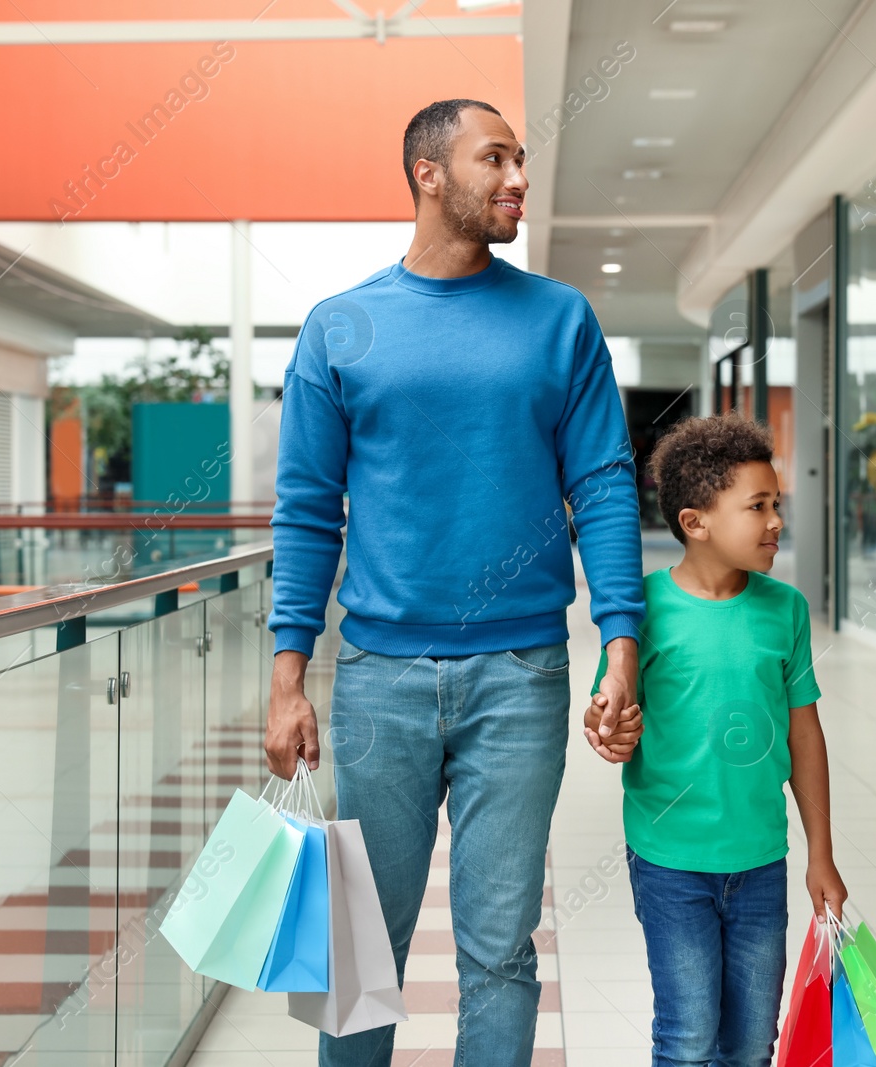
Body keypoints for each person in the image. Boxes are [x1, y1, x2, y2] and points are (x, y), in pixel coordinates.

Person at [265, 98, 647, 1067]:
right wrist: (285, 676)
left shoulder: (560, 319)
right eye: (495, 159)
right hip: (377, 680)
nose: (517, 176)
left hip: (519, 674)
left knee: (499, 950)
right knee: (358, 953)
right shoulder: (340, 328)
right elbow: (308, 508)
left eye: (521, 159)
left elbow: (602, 485)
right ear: (428, 174)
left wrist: (619, 644)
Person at [589, 413, 847, 1067]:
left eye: (776, 505)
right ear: (694, 521)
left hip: (761, 860)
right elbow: (611, 714)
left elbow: (804, 736)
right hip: (670, 860)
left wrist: (822, 853)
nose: (775, 522)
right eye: (756, 506)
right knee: (687, 1035)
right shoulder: (642, 611)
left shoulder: (784, 609)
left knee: (752, 1041)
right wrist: (610, 731)